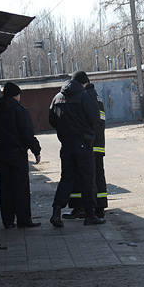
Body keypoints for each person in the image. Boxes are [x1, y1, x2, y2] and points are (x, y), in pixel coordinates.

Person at [0, 82, 42, 229]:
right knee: (21, 187)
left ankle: (7, 221)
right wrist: (36, 151)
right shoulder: (20, 111)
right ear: (16, 95)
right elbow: (28, 134)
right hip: (17, 154)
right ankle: (24, 220)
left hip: (1, 154)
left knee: (6, 187)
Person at [48, 71, 104, 227]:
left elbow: (52, 119)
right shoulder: (84, 96)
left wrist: (65, 129)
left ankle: (56, 211)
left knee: (66, 178)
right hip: (83, 143)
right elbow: (94, 119)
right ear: (83, 83)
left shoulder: (57, 97)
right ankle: (90, 215)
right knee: (87, 178)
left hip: (66, 144)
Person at [64, 83, 108, 219]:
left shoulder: (86, 97)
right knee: (98, 176)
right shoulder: (96, 96)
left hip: (88, 143)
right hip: (97, 144)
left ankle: (81, 208)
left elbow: (90, 120)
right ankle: (99, 207)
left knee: (83, 177)